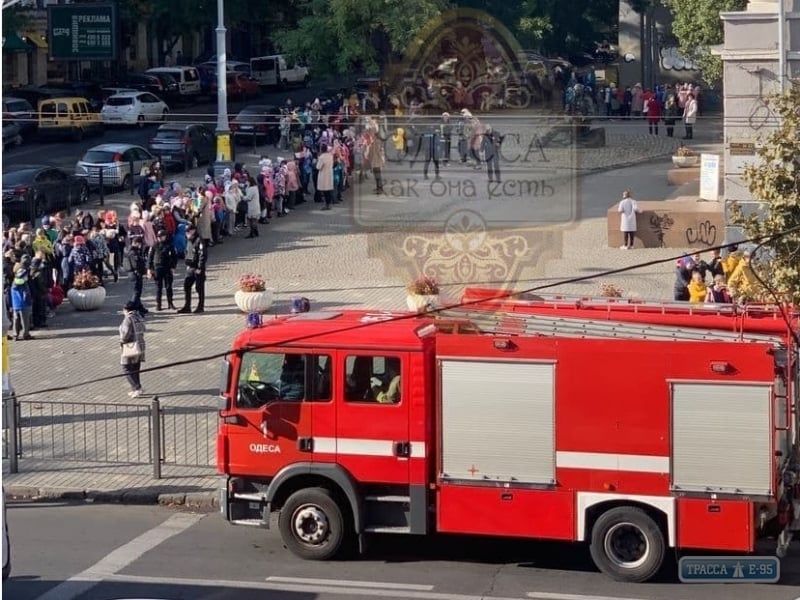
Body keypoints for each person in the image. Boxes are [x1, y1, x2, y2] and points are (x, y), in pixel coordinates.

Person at [177, 225, 208, 314]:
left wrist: (200, 267)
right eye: (186, 232)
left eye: (188, 232)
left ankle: (200, 306)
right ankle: (187, 306)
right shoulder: (189, 241)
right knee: (187, 286)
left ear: (193, 231)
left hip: (197, 268)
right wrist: (187, 263)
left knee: (199, 288)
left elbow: (203, 255)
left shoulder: (199, 240)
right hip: (190, 267)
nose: (187, 234)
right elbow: (188, 252)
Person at [119, 301, 146, 398]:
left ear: (126, 309)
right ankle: (136, 388)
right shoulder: (139, 316)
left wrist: (122, 341)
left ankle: (136, 387)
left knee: (126, 367)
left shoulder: (128, 319)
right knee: (135, 368)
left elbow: (125, 333)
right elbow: (144, 329)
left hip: (130, 346)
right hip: (140, 344)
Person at [147, 229, 177, 311]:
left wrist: (173, 267)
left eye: (162, 236)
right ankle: (158, 304)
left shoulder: (169, 245)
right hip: (157, 268)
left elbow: (174, 256)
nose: (160, 238)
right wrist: (149, 269)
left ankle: (170, 303)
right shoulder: (154, 245)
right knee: (158, 287)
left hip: (167, 267)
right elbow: (150, 257)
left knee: (168, 286)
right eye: (159, 237)